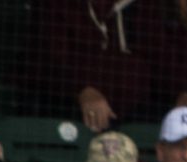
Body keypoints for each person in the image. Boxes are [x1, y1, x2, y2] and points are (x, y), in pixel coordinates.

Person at [31, 0, 148, 133]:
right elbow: (51, 61)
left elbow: (152, 63)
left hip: (132, 112)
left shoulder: (142, 7)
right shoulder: (55, 6)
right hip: (66, 109)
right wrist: (84, 89)